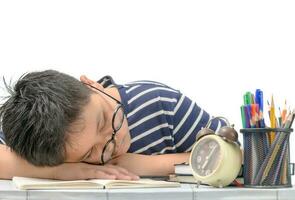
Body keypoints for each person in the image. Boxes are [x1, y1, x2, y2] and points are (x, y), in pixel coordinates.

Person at [0, 70, 225, 180]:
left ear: (92, 85)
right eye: (90, 152)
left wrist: (148, 165)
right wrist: (64, 170)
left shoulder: (159, 104)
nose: (112, 142)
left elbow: (233, 154)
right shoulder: (35, 132)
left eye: (103, 121)